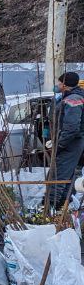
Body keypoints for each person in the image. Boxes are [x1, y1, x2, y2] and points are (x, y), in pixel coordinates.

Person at [46, 71, 84, 212]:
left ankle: (51, 208)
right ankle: (64, 207)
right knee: (69, 176)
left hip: (71, 143)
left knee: (58, 176)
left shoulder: (73, 99)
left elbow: (71, 127)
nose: (57, 85)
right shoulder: (69, 97)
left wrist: (60, 144)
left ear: (65, 85)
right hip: (74, 143)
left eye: (60, 82)